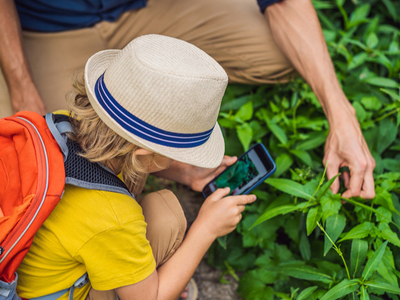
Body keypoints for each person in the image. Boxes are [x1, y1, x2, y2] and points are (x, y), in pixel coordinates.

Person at [0, 0, 375, 202]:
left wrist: (343, 117)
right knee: (48, 151)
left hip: (148, 7)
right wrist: (22, 89)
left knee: (280, 53)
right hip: (44, 25)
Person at [16, 34, 255, 300]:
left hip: (27, 271)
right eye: (173, 153)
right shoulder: (115, 218)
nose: (181, 158)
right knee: (166, 217)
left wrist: (183, 172)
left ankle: (133, 273)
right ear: (144, 152)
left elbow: (112, 162)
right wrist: (206, 229)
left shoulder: (61, 125)